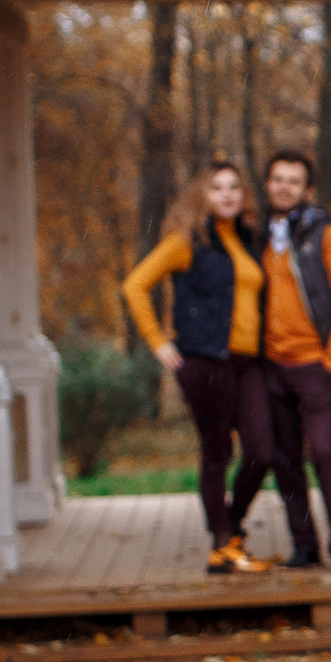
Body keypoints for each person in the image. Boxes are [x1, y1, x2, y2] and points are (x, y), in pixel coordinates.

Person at [121, 162, 274, 576]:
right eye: (217, 188)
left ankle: (230, 526)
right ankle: (221, 545)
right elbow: (135, 285)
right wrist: (158, 342)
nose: (226, 195)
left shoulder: (249, 239)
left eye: (234, 188)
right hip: (204, 361)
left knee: (262, 450)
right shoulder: (187, 241)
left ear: (243, 196)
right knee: (218, 452)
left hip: (247, 362)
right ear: (201, 196)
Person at [240, 148, 331, 572]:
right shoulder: (257, 237)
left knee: (325, 453)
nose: (284, 187)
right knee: (285, 459)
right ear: (268, 184)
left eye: (293, 181)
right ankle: (304, 545)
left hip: (315, 366)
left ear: (306, 189)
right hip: (272, 365)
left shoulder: (325, 234)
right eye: (277, 179)